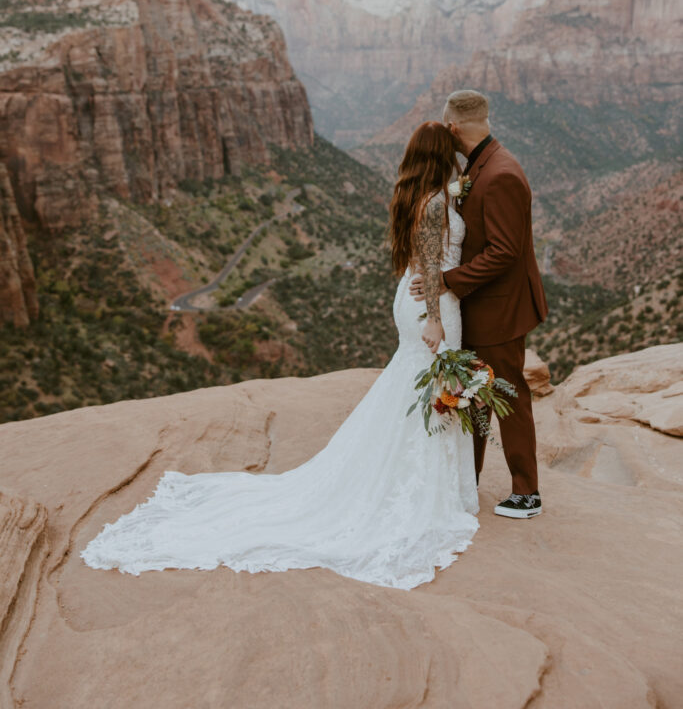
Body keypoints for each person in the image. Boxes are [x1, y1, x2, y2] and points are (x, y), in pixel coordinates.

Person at [80, 121, 479, 590]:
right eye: (451, 152)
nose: (458, 159)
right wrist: (433, 316)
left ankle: (419, 484)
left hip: (412, 299)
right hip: (430, 305)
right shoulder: (435, 202)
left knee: (415, 385)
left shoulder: (424, 194)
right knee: (429, 382)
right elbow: (431, 263)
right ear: (439, 155)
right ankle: (418, 493)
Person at [409, 90, 548, 519]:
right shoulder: (481, 165)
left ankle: (527, 493)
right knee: (476, 396)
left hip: (501, 310)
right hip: (480, 306)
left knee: (508, 393)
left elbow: (505, 251)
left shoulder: (501, 173)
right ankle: (467, 480)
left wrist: (446, 281)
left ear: (452, 129)